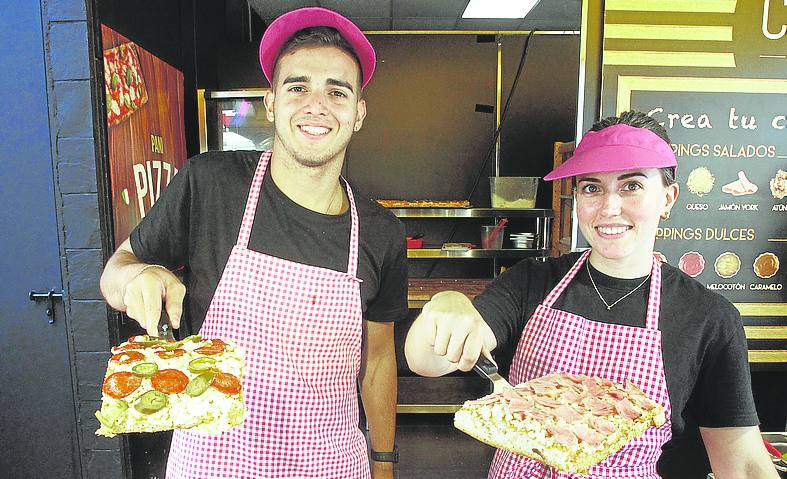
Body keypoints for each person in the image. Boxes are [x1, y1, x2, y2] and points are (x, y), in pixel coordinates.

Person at [100, 7, 407, 479]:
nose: (316, 105)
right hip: (213, 464)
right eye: (298, 87)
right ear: (271, 103)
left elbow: (380, 359)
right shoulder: (211, 184)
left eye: (337, 91)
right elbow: (116, 270)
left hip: (329, 465)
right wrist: (137, 275)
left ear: (359, 113)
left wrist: (383, 463)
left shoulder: (381, 232)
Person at [404, 111, 778, 478]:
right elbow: (427, 361)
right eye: (592, 188)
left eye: (631, 185)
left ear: (668, 198)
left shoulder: (708, 318)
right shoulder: (533, 281)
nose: (608, 207)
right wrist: (446, 304)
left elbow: (741, 462)